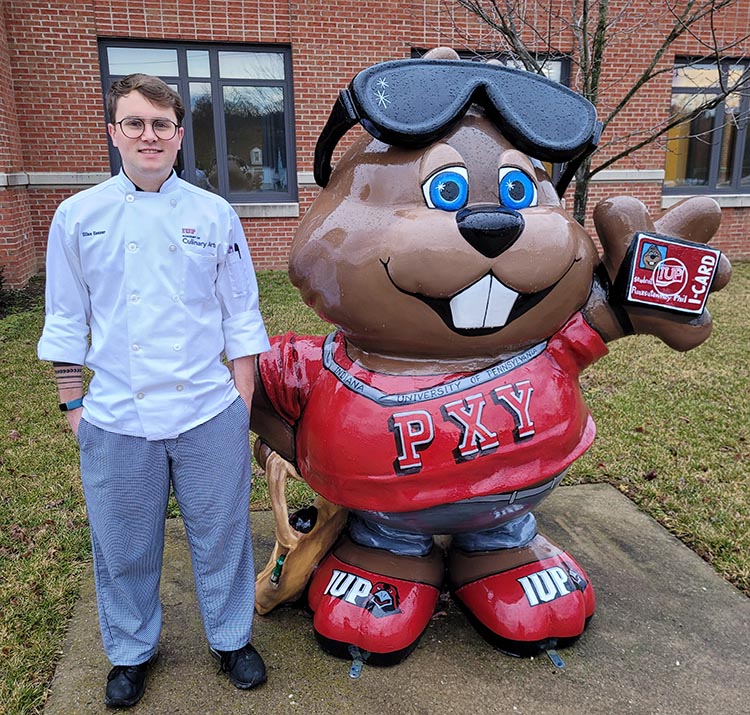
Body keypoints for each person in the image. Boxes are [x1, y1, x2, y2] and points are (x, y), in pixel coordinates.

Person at [37, 73, 270, 708]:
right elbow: (64, 320)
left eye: (161, 124)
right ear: (114, 132)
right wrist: (72, 408)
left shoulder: (212, 213)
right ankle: (131, 651)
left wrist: (240, 403)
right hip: (114, 416)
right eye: (134, 123)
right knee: (122, 544)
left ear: (178, 135)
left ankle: (230, 638)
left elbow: (241, 317)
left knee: (222, 534)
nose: (149, 135)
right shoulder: (76, 217)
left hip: (207, 412)